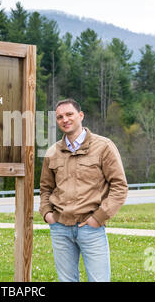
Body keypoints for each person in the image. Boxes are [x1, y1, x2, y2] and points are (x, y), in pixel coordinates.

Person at [39, 98, 128, 282]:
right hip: (60, 229)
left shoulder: (104, 147)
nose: (65, 119)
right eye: (60, 117)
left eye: (69, 114)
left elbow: (119, 187)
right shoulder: (52, 152)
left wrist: (98, 218)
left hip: (91, 228)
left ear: (80, 115)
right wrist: (47, 213)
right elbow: (45, 189)